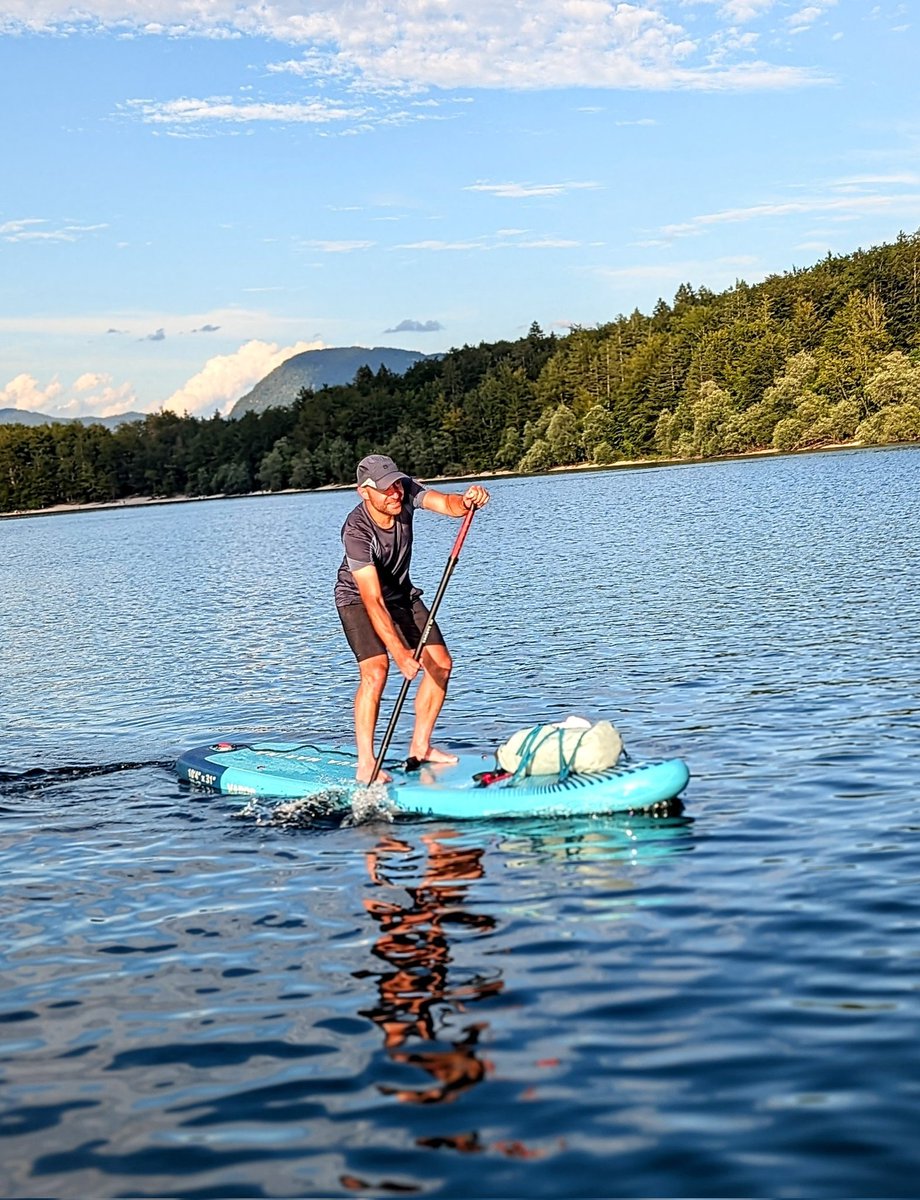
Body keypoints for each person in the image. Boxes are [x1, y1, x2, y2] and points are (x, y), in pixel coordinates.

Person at [334, 454, 490, 783]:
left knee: (441, 664)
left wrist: (467, 499)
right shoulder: (356, 531)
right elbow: (373, 601)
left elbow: (448, 505)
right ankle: (366, 763)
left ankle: (420, 746)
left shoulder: (404, 490)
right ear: (364, 492)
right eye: (385, 489)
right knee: (376, 671)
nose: (394, 494)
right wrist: (401, 654)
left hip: (402, 596)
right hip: (358, 601)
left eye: (395, 484)